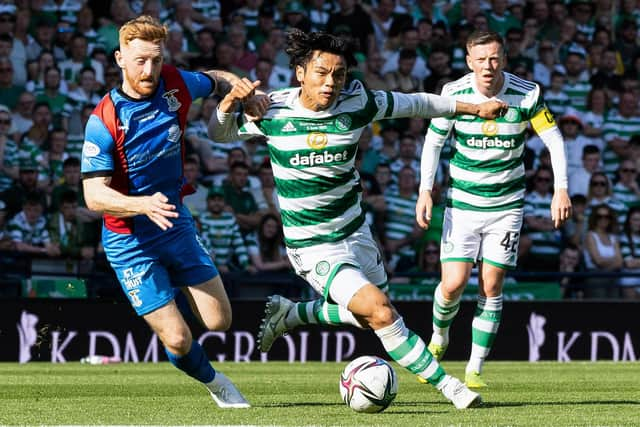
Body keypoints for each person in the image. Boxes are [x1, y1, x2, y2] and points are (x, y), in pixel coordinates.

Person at [209, 28, 507, 409]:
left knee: (371, 317)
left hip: (356, 232)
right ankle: (452, 388)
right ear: (300, 73)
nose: (331, 82)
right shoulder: (274, 111)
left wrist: (475, 108)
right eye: (321, 72)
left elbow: (416, 103)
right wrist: (230, 102)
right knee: (380, 311)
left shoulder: (358, 102)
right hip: (312, 244)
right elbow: (218, 135)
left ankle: (294, 314)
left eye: (339, 73)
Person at [81, 15, 268, 409]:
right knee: (179, 338)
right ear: (119, 58)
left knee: (220, 322)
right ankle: (216, 383)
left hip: (175, 224)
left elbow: (215, 79)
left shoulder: (175, 82)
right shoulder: (104, 121)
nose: (149, 70)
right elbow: (94, 196)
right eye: (139, 61)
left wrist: (242, 94)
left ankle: (167, 311)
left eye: (155, 59)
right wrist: (140, 204)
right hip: (130, 239)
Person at [416, 31, 572, 388]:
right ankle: (440, 336)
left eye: (494, 58)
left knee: (491, 284)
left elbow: (554, 139)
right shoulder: (453, 93)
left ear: (504, 59)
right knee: (453, 285)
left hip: (507, 205)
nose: (488, 66)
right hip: (463, 203)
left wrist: (560, 190)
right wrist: (426, 191)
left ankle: (474, 368)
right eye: (480, 59)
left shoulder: (527, 93)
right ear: (469, 62)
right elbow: (433, 142)